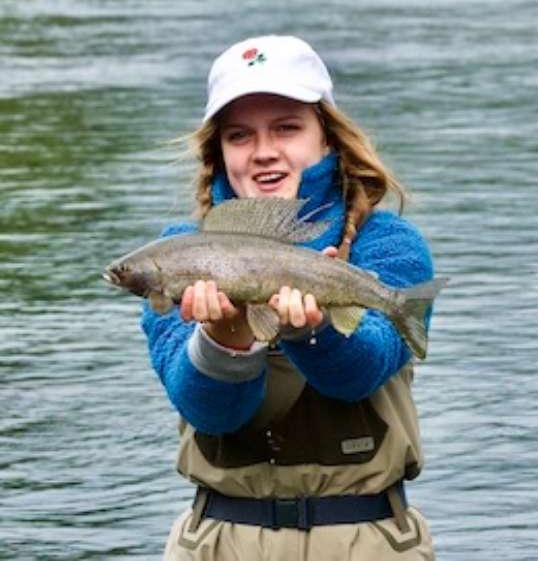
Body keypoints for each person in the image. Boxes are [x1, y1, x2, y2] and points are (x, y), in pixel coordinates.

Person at [142, 34, 436, 560]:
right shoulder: (179, 254)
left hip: (366, 541)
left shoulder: (389, 243)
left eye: (287, 128)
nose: (263, 151)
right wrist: (225, 339)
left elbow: (362, 372)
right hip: (219, 542)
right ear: (218, 153)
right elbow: (208, 413)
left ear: (328, 139)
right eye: (239, 135)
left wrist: (313, 330)